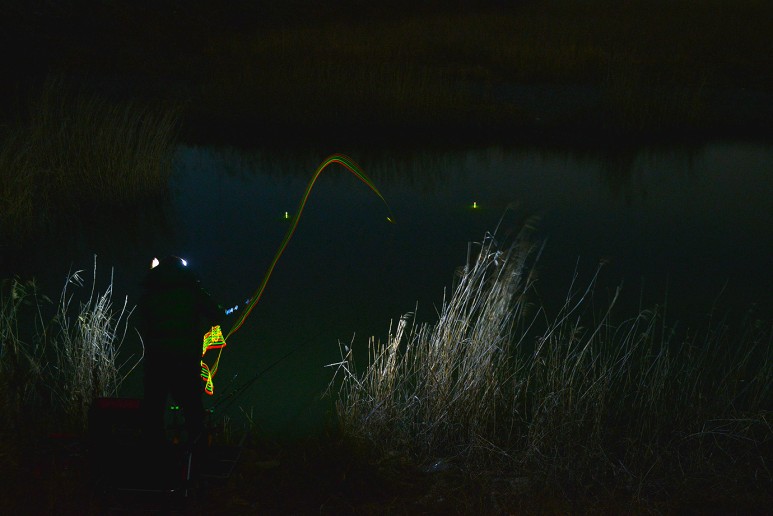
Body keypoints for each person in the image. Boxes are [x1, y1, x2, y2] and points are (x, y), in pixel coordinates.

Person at [137, 255, 223, 460]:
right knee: (192, 407)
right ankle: (197, 456)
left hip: (156, 359)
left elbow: (142, 321)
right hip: (185, 359)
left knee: (154, 408)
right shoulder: (192, 291)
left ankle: (155, 456)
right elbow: (216, 314)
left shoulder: (150, 293)